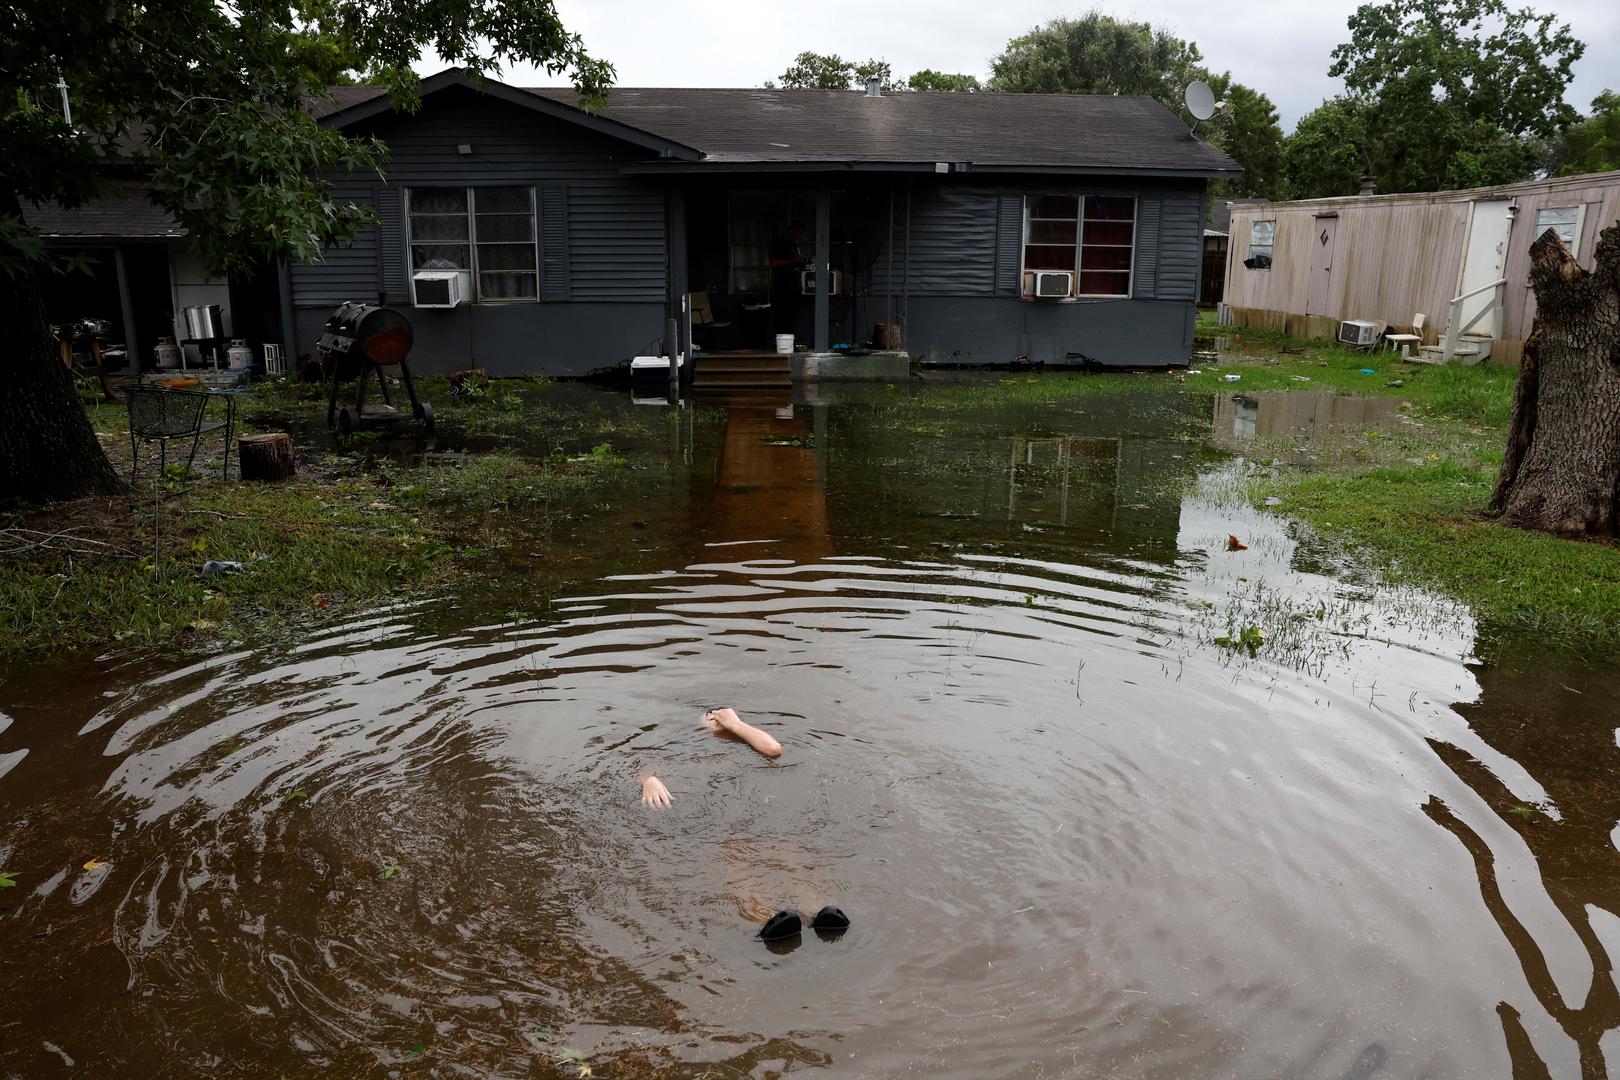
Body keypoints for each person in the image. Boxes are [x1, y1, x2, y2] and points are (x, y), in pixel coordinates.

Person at [639, 707, 780, 808]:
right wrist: (648, 780)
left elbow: (773, 749)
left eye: (724, 719)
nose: (718, 720)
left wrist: (736, 725)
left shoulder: (746, 742)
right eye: (712, 717)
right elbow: (647, 765)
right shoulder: (686, 745)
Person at [768, 222, 809, 339]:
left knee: (792, 317)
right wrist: (793, 261)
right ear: (792, 231)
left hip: (794, 287)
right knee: (782, 317)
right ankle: (781, 344)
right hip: (783, 287)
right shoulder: (780, 244)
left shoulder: (794, 245)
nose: (800, 235)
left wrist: (802, 262)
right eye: (798, 232)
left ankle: (789, 343)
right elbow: (774, 263)